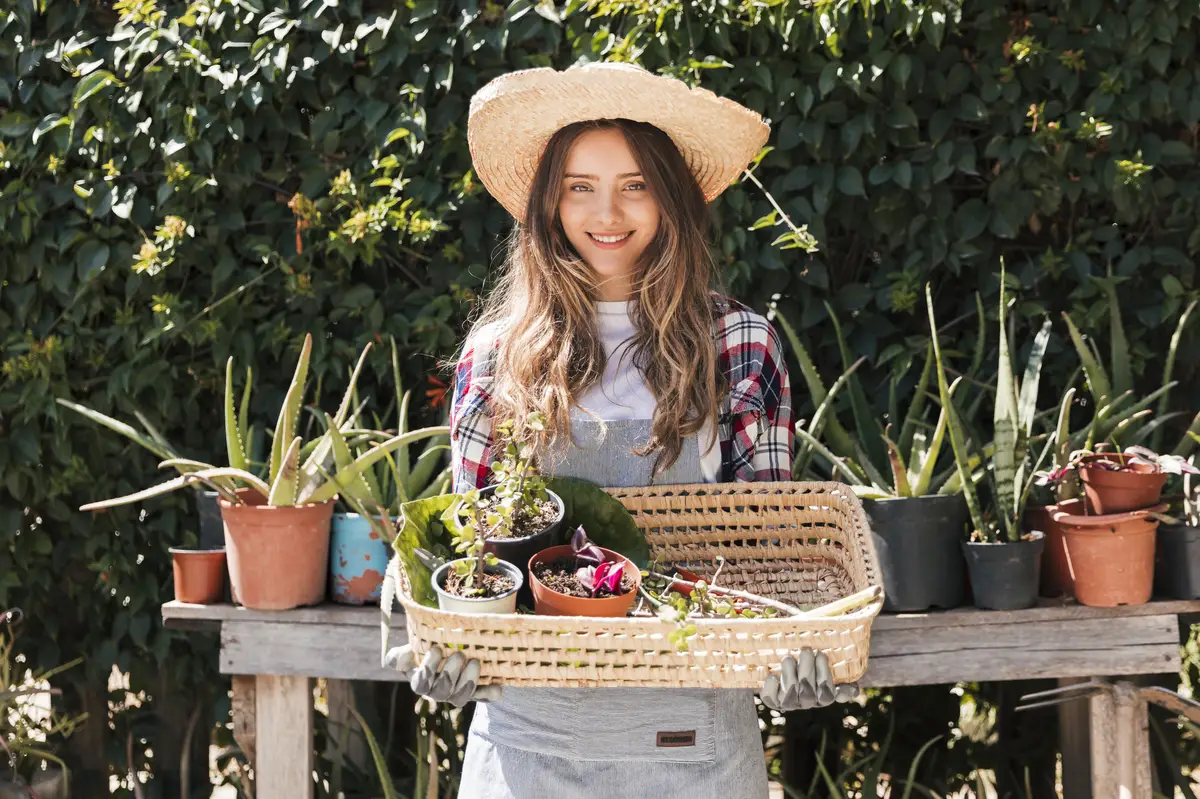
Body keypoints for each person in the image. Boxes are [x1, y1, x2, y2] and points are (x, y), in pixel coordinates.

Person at [386, 61, 859, 798]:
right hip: (527, 747)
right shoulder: (497, 357)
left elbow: (768, 556)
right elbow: (472, 553)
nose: (607, 212)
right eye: (581, 186)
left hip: (695, 744)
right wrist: (448, 645)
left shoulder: (738, 343)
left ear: (670, 197)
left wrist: (790, 655)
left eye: (635, 183)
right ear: (549, 203)